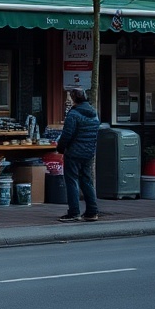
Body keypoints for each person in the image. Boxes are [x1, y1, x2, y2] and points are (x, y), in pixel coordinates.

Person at [55, 87, 100, 222]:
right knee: (87, 181)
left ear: (74, 98)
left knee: (72, 181)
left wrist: (61, 148)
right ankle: (92, 211)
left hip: (74, 152)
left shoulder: (73, 114)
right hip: (88, 152)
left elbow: (66, 134)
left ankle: (74, 212)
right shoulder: (94, 114)